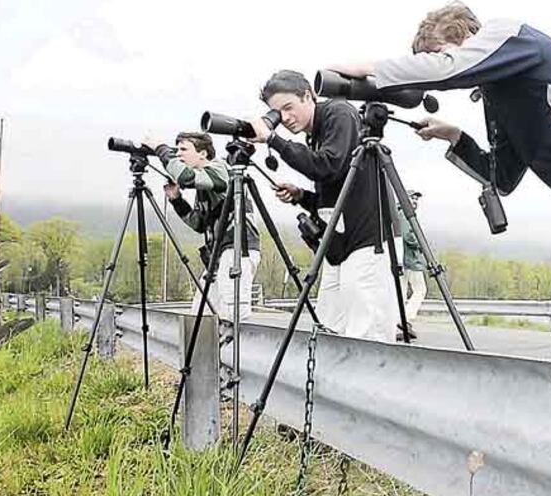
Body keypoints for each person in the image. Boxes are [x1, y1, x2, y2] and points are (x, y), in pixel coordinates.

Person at [331, 2, 551, 366]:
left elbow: (454, 67)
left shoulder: (508, 33)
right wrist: (455, 137)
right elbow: (501, 177)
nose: (435, 67)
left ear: (465, 36)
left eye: (437, 55)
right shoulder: (503, 93)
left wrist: (373, 70)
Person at [247, 69, 397, 342]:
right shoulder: (314, 132)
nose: (286, 118)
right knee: (330, 324)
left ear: (309, 95)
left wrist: (273, 140)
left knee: (366, 330)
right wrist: (301, 195)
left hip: (368, 239)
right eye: (278, 114)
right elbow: (335, 194)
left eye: (289, 107)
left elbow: (328, 165)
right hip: (339, 242)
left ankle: (368, 382)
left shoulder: (339, 113)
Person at [143, 132, 260, 320]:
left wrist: (159, 148)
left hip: (237, 248)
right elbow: (198, 224)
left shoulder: (220, 169)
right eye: (177, 150)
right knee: (201, 314)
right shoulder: (204, 187)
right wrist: (176, 200)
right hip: (218, 254)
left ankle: (238, 346)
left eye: (183, 149)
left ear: (203, 154)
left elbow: (186, 177)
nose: (178, 154)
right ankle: (203, 348)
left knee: (232, 313)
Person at [397, 190, 427, 341]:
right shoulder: (404, 214)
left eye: (416, 199)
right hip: (410, 260)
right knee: (420, 290)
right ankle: (406, 319)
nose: (415, 201)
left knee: (401, 292)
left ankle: (399, 322)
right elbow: (408, 235)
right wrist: (420, 244)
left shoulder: (398, 213)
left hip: (400, 260)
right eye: (412, 198)